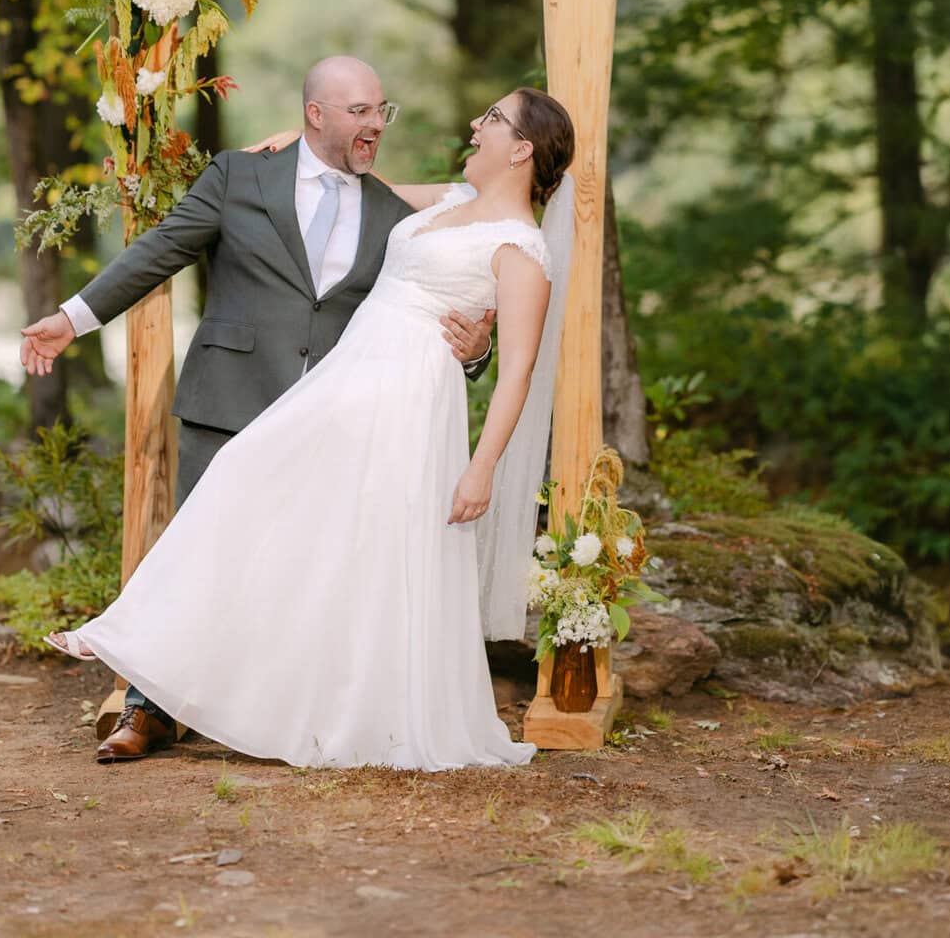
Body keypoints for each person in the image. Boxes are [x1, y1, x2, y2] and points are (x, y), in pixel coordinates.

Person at [33, 83, 576, 771]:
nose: (476, 122)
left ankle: (347, 709)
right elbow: (359, 180)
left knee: (360, 544)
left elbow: (519, 370)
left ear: (522, 148)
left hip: (402, 396)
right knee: (253, 485)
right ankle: (145, 651)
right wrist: (298, 146)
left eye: (493, 119)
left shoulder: (521, 248)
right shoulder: (448, 201)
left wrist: (482, 466)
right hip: (350, 379)